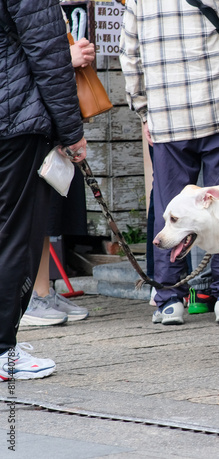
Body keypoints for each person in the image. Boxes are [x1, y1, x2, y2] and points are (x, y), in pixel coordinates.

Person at [119, 0, 219, 326]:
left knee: (170, 209)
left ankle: (169, 301)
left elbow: (130, 55)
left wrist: (144, 109)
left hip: (167, 116)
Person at [0, 0, 87, 380]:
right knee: (16, 235)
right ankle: (3, 351)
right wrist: (72, 132)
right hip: (13, 119)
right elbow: (49, 53)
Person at [20, 9, 93, 327]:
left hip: (38, 116)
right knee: (30, 214)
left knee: (48, 211)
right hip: (21, 118)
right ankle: (30, 296)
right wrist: (67, 57)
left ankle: (42, 290)